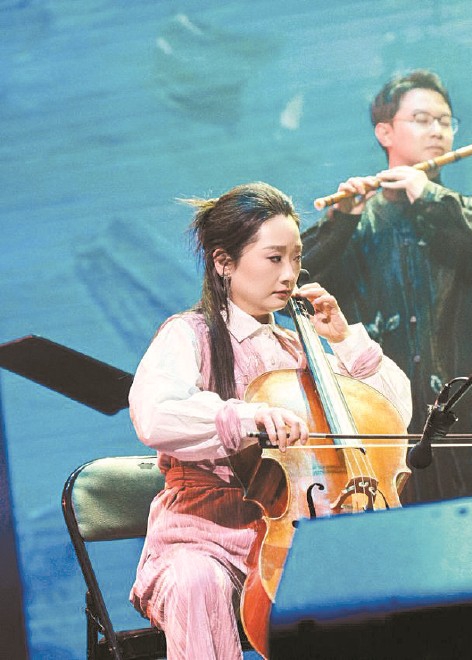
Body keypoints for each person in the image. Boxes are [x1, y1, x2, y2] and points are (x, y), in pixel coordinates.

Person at [128, 182, 412, 659]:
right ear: (224, 262)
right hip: (204, 536)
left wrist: (344, 340)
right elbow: (155, 414)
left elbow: (392, 415)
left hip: (291, 535)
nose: (289, 274)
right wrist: (247, 417)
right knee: (196, 582)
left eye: (296, 259)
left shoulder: (298, 348)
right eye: (274, 258)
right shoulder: (189, 334)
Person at [302, 69, 472, 504]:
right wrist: (341, 222)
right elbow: (291, 289)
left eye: (445, 121)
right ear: (385, 132)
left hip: (467, 425)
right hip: (381, 423)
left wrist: (430, 196)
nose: (437, 130)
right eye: (422, 119)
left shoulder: (466, 209)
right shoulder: (354, 221)